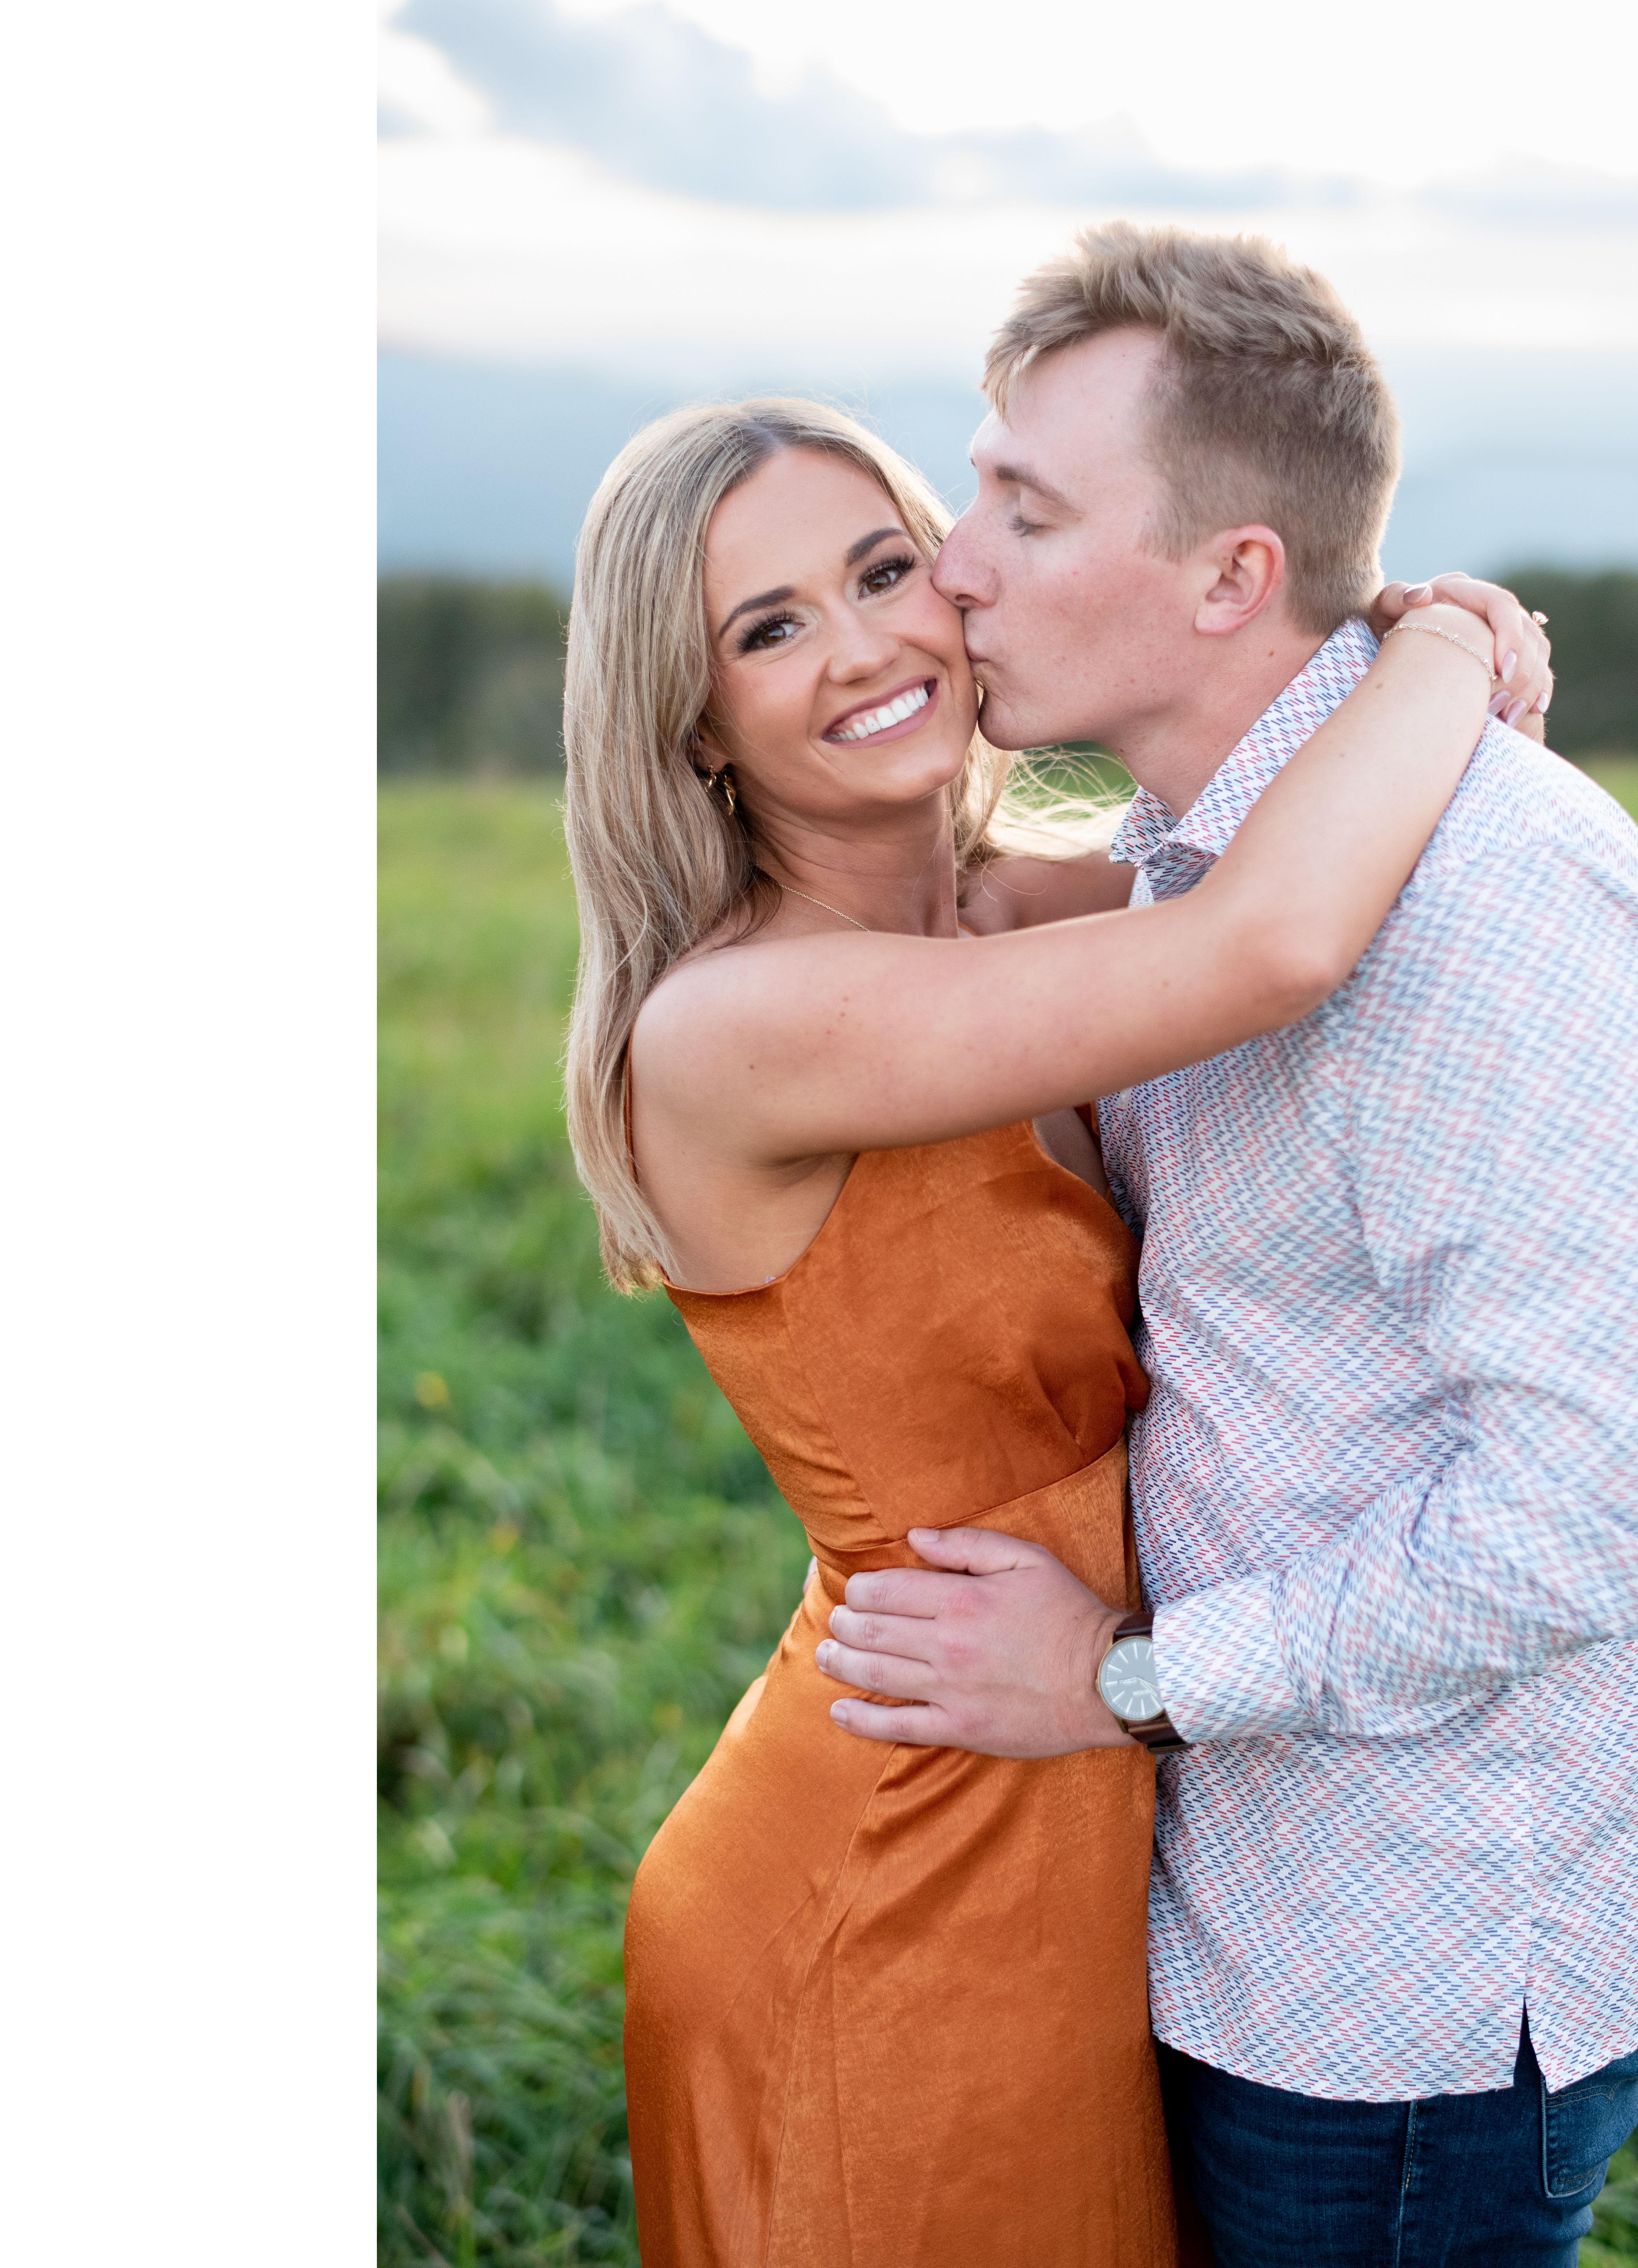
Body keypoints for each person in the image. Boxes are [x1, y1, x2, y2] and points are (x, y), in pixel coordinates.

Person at [818, 225, 1638, 2268]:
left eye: (1028, 509)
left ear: (1233, 576)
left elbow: (1595, 1515)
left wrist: (1131, 1679)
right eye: (974, 485)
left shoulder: (1481, 916)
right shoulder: (1199, 851)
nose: (954, 561)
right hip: (1235, 1882)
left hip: (1403, 1968)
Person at [559, 384, 1551, 2266]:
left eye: (878, 571)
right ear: (691, 719)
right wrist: (1433, 643)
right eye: (769, 630)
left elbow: (1322, 844)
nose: (859, 647)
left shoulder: (995, 910)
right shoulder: (742, 1024)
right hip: (897, 1843)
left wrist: (1397, 651)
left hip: (1069, 1780)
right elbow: (1265, 942)